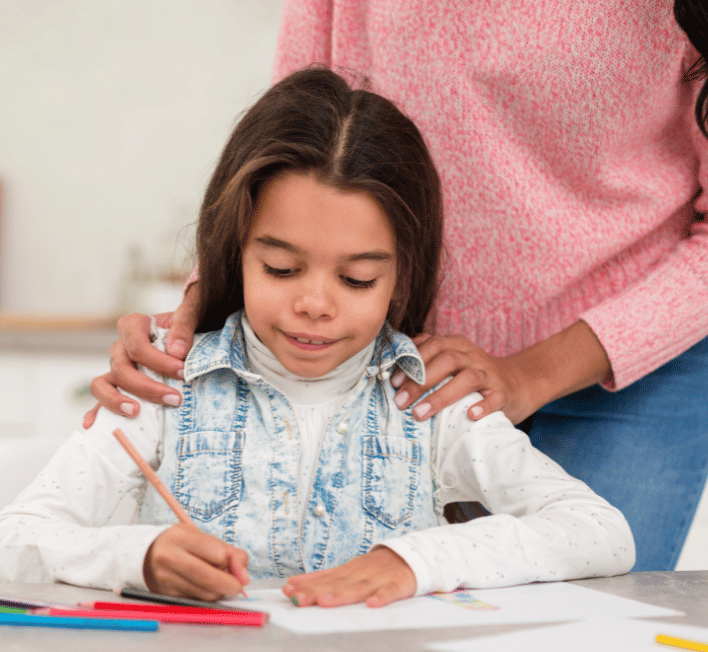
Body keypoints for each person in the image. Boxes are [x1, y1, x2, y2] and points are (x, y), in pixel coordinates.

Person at [87, 1, 708, 572]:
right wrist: (210, 296)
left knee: (580, 619)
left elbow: (597, 537)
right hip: (399, 357)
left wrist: (531, 375)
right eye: (281, 269)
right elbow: (292, 143)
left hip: (632, 360)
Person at [0, 69, 634, 607]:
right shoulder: (165, 388)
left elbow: (601, 535)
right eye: (282, 269)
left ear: (400, 281)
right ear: (233, 253)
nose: (314, 304)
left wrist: (416, 561)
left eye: (356, 279)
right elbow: (6, 545)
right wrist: (138, 557)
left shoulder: (431, 404)